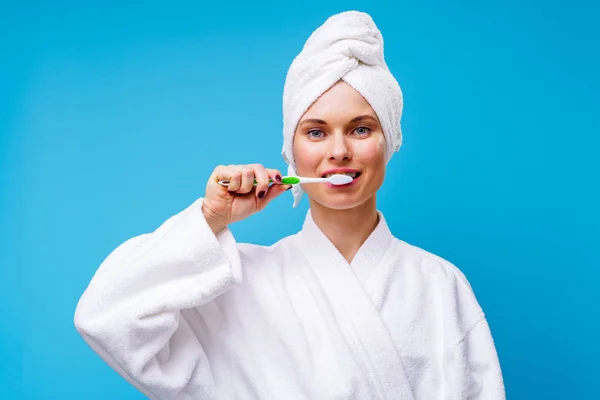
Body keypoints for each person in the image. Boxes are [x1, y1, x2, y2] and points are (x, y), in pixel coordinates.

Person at [74, 11, 505, 400]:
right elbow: (107, 317)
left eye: (360, 129)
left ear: (388, 141)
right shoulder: (238, 285)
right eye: (316, 132)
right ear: (291, 152)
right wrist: (211, 220)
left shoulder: (439, 284)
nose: (338, 151)